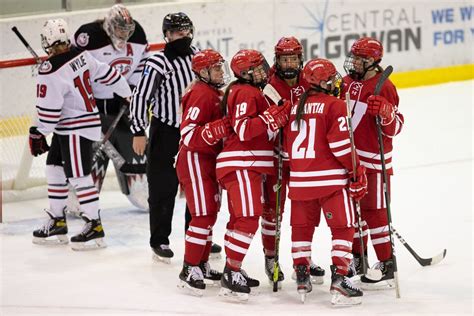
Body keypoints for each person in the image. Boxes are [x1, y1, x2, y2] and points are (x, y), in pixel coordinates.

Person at [30, 19, 131, 250]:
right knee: (54, 167)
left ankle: (94, 224)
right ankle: (57, 219)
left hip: (75, 127)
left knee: (78, 176)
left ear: (47, 41)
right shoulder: (82, 56)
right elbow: (108, 73)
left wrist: (38, 133)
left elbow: (49, 111)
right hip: (71, 125)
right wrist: (126, 93)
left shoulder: (50, 70)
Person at [285, 58, 367, 305]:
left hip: (299, 182)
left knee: (301, 229)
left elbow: (287, 148)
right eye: (332, 77)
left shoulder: (294, 107)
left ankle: (302, 274)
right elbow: (342, 146)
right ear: (323, 82)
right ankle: (340, 279)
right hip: (330, 181)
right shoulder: (335, 105)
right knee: (343, 228)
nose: (336, 81)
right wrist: (357, 171)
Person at [216, 49, 290, 300]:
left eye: (262, 67)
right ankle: (231, 272)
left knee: (239, 220)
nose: (263, 71)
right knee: (248, 217)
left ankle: (233, 268)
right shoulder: (246, 92)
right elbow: (246, 130)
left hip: (246, 164)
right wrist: (272, 117)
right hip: (243, 163)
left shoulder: (251, 90)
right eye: (257, 69)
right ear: (244, 74)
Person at [129, 12, 198, 262]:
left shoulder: (198, 56)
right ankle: (159, 239)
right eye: (175, 33)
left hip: (196, 133)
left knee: (198, 187)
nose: (180, 37)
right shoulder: (157, 62)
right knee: (162, 188)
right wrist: (138, 129)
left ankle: (197, 236)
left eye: (184, 32)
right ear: (166, 35)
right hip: (166, 130)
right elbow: (140, 97)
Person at [73, 4, 149, 210]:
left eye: (127, 30)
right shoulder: (89, 36)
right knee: (89, 152)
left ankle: (138, 182)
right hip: (92, 105)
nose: (124, 34)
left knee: (134, 145)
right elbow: (73, 68)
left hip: (122, 103)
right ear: (109, 26)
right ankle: (80, 192)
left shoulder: (138, 34)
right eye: (119, 30)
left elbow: (143, 62)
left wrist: (132, 88)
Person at [342, 37, 404, 289]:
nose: (355, 62)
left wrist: (387, 112)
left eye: (361, 58)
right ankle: (359, 258)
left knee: (374, 212)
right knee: (353, 215)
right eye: (354, 56)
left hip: (374, 163)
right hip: (348, 160)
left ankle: (387, 262)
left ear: (373, 61)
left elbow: (396, 127)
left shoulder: (384, 87)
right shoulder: (344, 83)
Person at [265, 36, 325, 285]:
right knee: (273, 211)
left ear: (300, 58)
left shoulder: (308, 78)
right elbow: (264, 123)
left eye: (293, 58)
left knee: (306, 211)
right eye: (283, 58)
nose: (289, 63)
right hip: (276, 158)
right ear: (276, 60)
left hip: (303, 161)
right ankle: (271, 258)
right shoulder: (267, 85)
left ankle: (304, 258)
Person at [175, 49, 232, 296]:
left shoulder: (212, 92)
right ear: (203, 72)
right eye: (216, 68)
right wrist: (221, 128)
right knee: (202, 215)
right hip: (195, 160)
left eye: (221, 67)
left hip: (207, 160)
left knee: (209, 215)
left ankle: (202, 263)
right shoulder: (200, 94)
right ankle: (189, 268)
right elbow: (188, 134)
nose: (221, 72)